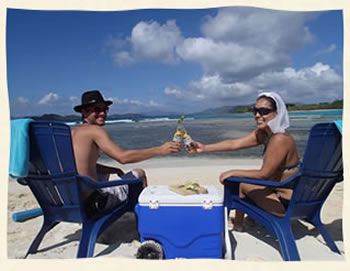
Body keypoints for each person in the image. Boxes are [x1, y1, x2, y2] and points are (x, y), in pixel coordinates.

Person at [194, 92, 300, 231]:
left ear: (277, 113)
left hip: (285, 204)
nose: (257, 115)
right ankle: (241, 222)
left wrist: (233, 172)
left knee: (239, 183)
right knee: (242, 180)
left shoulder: (279, 138)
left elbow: (264, 174)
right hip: (281, 194)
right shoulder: (266, 134)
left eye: (264, 111)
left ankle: (238, 224)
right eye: (255, 110)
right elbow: (235, 144)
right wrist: (204, 148)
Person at [71, 90, 181, 218]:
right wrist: (159, 150)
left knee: (104, 172)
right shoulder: (94, 130)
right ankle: (146, 218)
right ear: (84, 112)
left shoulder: (70, 133)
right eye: (96, 109)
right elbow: (123, 157)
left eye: (105, 109)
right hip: (95, 203)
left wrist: (114, 170)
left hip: (73, 201)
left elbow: (82, 165)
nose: (102, 113)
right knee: (139, 173)